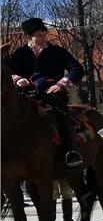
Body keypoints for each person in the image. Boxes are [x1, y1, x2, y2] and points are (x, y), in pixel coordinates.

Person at [6, 17, 85, 167]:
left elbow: (77, 69)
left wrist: (61, 84)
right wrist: (17, 79)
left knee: (62, 114)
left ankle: (71, 151)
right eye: (40, 35)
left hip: (52, 94)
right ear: (29, 37)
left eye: (44, 34)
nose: (44, 38)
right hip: (26, 94)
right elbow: (7, 71)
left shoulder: (57, 52)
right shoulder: (20, 53)